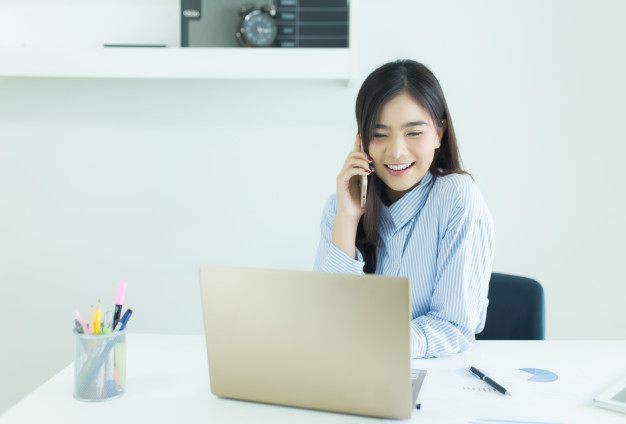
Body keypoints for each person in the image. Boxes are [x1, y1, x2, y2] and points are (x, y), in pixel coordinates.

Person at [313, 59, 495, 358]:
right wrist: (347, 219)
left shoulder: (457, 199)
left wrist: (379, 344)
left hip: (432, 377)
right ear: (361, 141)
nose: (396, 151)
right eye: (380, 134)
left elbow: (453, 326)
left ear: (439, 133)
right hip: (354, 373)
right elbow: (327, 322)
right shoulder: (339, 206)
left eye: (413, 132)